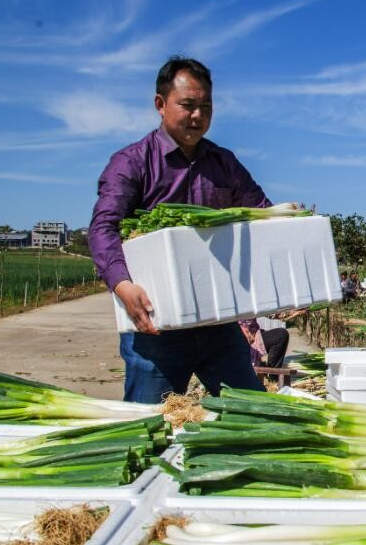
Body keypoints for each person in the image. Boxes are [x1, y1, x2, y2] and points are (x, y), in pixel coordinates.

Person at [89, 56, 269, 403]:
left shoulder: (224, 164)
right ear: (161, 104)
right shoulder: (132, 162)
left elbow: (261, 213)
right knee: (149, 425)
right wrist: (122, 284)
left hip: (218, 323)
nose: (198, 115)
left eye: (206, 106)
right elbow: (103, 227)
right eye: (188, 105)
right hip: (157, 326)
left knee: (252, 409)